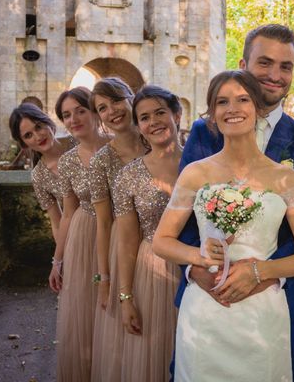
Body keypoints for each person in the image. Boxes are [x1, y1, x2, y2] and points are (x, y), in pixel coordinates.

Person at [153, 70, 294, 381]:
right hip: (205, 310)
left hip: (262, 312)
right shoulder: (195, 173)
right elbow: (161, 241)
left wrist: (260, 271)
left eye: (243, 99)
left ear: (257, 108)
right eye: (222, 101)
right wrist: (198, 258)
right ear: (213, 115)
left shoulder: (285, 178)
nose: (233, 108)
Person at [113, 85, 182, 381]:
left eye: (160, 113)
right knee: (155, 353)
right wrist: (126, 297)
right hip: (152, 272)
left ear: (177, 114)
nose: (153, 122)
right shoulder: (128, 176)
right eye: (144, 117)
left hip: (199, 269)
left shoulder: (204, 164)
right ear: (138, 126)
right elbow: (127, 241)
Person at [48, 86, 111, 382]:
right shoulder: (68, 161)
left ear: (95, 111)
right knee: (86, 310)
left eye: (80, 111)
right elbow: (68, 213)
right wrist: (57, 261)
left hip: (121, 233)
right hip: (84, 236)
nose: (73, 119)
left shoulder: (120, 147)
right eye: (66, 115)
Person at [88, 78, 146, 382]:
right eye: (102, 108)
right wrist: (104, 279)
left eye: (116, 100)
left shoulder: (158, 140)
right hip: (125, 251)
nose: (112, 111)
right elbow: (104, 223)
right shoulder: (101, 162)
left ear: (132, 98)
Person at [8, 103, 74, 244]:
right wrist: (61, 258)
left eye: (38, 127)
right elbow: (57, 224)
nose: (38, 137)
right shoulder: (39, 176)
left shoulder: (78, 143)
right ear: (24, 144)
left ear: (48, 122)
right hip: (78, 237)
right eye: (28, 135)